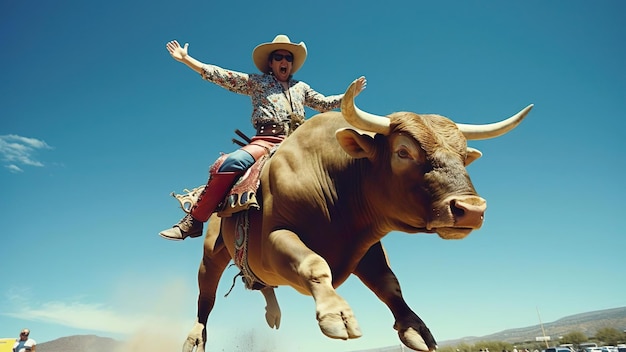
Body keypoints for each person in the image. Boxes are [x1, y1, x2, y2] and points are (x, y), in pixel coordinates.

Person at [159, 34, 367, 240]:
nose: (284, 61)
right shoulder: (257, 82)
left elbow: (323, 104)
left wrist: (349, 95)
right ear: (270, 62)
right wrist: (187, 60)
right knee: (230, 163)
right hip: (266, 142)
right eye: (279, 57)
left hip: (298, 143)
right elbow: (223, 76)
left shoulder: (301, 88)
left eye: (288, 58)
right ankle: (194, 221)